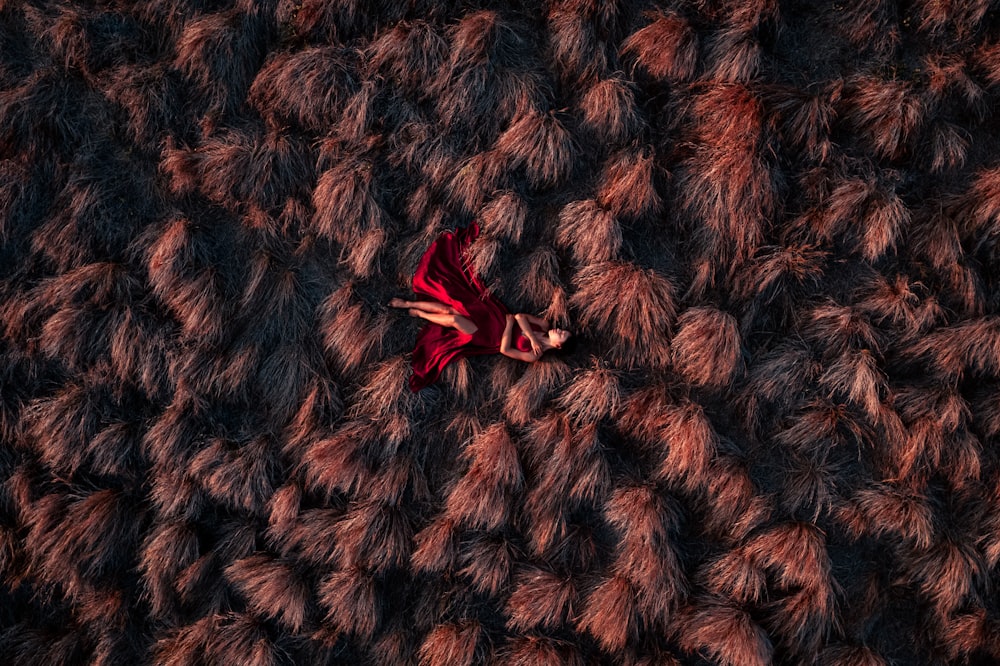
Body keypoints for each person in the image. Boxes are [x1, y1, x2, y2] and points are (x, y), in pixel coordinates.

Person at [390, 221, 572, 391]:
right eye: (563, 330)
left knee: (454, 319)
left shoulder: (534, 356)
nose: (559, 330)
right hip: (493, 316)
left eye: (562, 335)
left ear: (558, 347)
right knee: (451, 308)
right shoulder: (544, 326)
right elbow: (519, 317)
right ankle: (409, 303)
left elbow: (505, 349)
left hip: (489, 337)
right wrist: (531, 337)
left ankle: (420, 314)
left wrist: (510, 326)